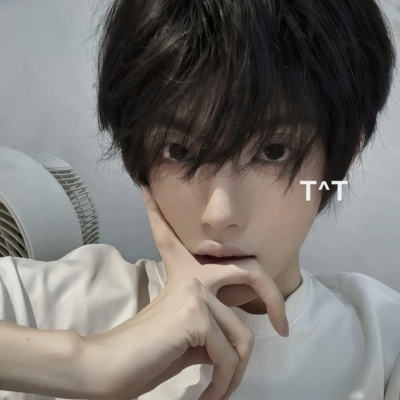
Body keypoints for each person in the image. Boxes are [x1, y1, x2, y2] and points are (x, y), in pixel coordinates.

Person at [0, 0, 399, 399]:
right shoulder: (51, 306)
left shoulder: (384, 343)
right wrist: (84, 364)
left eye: (273, 151)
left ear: (344, 154)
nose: (219, 214)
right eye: (178, 150)